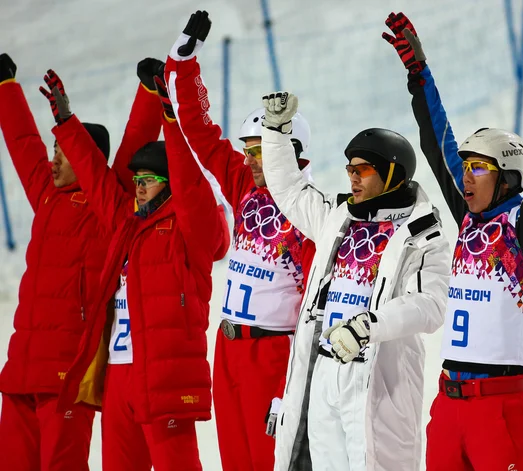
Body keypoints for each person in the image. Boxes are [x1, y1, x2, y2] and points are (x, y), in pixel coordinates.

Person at [382, 12, 523, 471]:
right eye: (465, 168)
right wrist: (418, 72)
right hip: (448, 406)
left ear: (507, 177)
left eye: (478, 168)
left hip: (500, 407)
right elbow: (438, 143)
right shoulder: (471, 219)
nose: (465, 176)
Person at [42, 67, 227, 471]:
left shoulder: (189, 229)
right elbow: (95, 180)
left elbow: (192, 184)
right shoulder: (126, 226)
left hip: (165, 375)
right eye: (138, 178)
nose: (139, 186)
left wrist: (171, 118)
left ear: (171, 183)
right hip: (120, 374)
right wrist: (67, 124)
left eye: (150, 179)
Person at [260, 91, 451, 471]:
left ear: (392, 173)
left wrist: (368, 326)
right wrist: (276, 134)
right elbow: (290, 192)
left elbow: (430, 306)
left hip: (378, 375)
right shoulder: (337, 216)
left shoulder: (425, 235)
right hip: (326, 370)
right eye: (349, 169)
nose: (351, 176)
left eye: (362, 169)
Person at [164, 10, 316, 471]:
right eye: (249, 150)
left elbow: (320, 299)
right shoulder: (246, 188)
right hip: (228, 349)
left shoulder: (310, 212)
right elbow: (203, 137)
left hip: (272, 353)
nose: (250, 160)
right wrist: (182, 64)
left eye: (260, 150)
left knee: (269, 461)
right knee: (233, 460)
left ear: (291, 152)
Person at [0, 53, 111, 471]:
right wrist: (6, 89)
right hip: (22, 373)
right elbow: (23, 145)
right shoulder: (47, 197)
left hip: (67, 380)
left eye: (64, 151)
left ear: (87, 158)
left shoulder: (106, 212)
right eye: (55, 150)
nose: (54, 159)